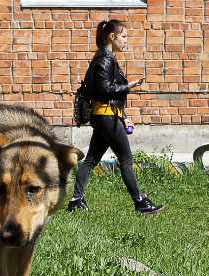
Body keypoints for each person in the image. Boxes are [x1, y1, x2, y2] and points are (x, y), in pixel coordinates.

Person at [67, 19, 163, 215]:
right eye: (124, 37)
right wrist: (130, 85)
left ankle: (76, 200)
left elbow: (108, 94)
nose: (126, 41)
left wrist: (124, 116)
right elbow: (105, 89)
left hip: (107, 116)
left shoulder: (104, 57)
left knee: (91, 160)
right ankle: (140, 203)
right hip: (107, 118)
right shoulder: (105, 59)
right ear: (112, 37)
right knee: (126, 161)